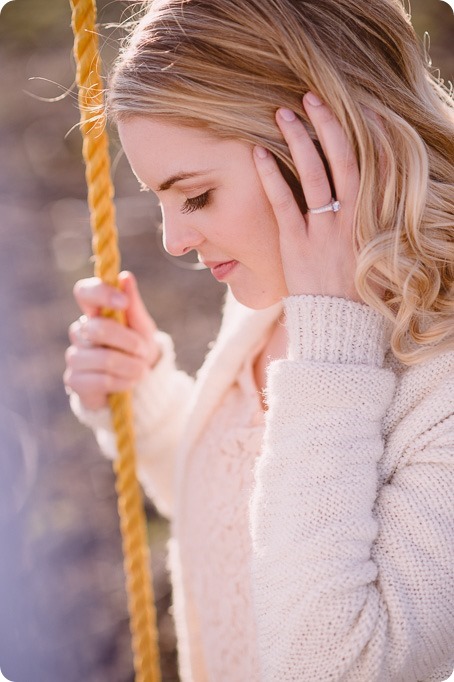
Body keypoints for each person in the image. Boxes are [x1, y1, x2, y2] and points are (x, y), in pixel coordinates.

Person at [63, 0, 454, 679]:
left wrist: (333, 349)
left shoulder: (435, 382)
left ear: (324, 151)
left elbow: (330, 660)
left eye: (199, 196)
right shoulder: (275, 299)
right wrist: (150, 404)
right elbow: (253, 520)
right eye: (160, 199)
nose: (174, 241)